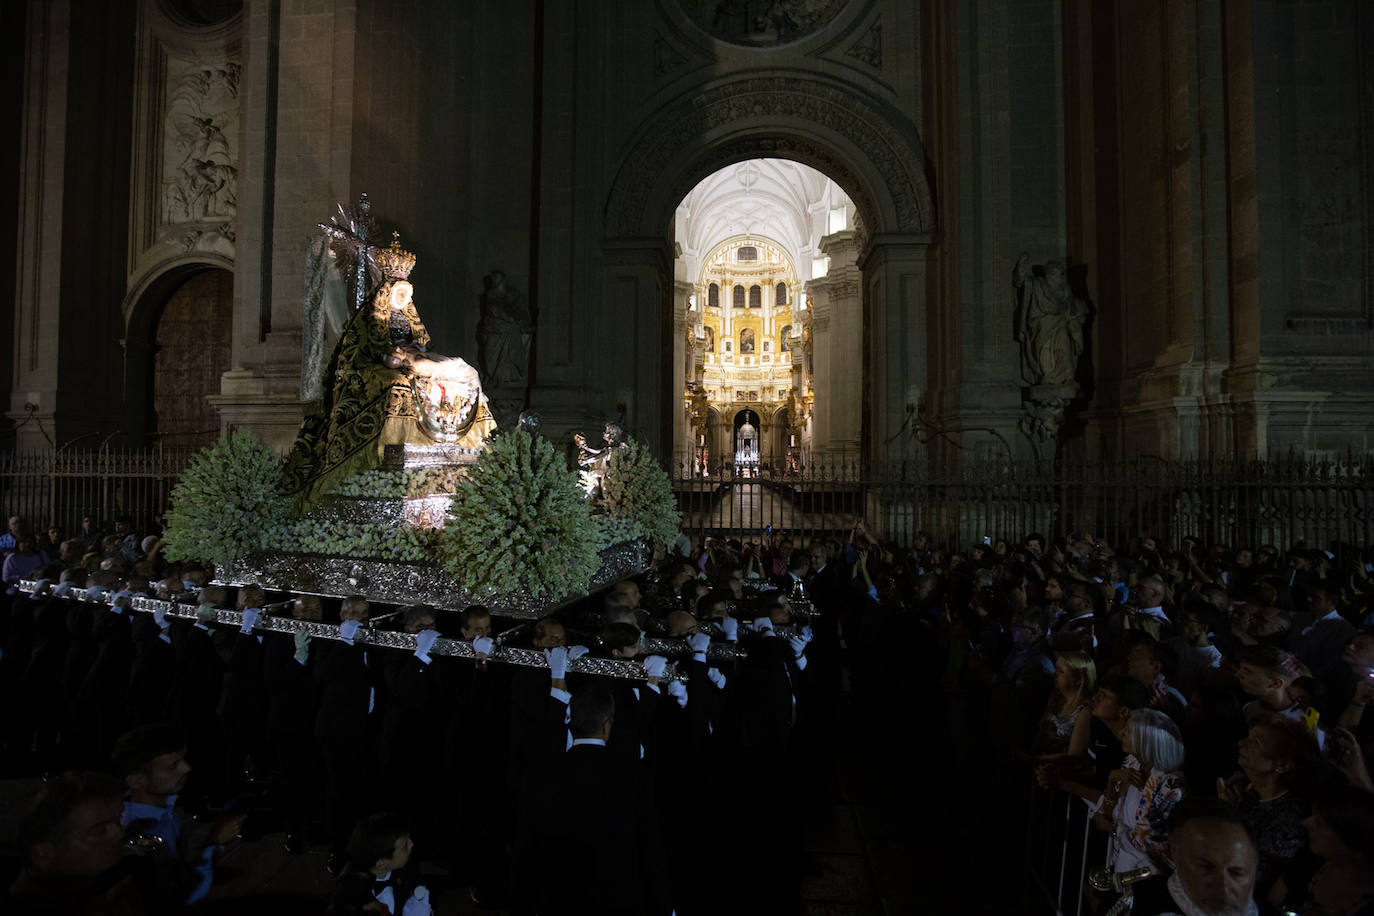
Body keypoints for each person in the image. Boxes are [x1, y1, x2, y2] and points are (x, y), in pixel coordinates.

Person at [283, 237, 496, 507]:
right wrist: (393, 357)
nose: (403, 299)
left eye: (406, 294)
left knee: (465, 377)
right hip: (379, 366)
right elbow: (363, 350)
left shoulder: (408, 315)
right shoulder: (373, 316)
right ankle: (390, 451)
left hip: (416, 362)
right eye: (398, 293)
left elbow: (422, 341)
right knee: (396, 385)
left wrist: (417, 354)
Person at [112, 722, 244, 905]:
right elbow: (178, 897)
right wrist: (214, 843)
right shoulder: (141, 833)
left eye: (182, 760)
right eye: (172, 767)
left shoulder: (162, 809)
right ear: (137, 781)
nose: (186, 768)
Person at [7, 770, 163, 913]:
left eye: (119, 820)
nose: (119, 834)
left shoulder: (125, 870)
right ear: (44, 854)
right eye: (100, 830)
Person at [1124, 798, 1263, 916]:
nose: (1223, 888)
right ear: (1175, 852)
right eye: (1206, 868)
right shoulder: (1135, 903)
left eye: (1237, 872)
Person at [1094, 707, 1187, 877]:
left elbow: (1151, 844)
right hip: (1120, 866)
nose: (1121, 732)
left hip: (1144, 878)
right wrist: (1112, 779)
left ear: (1147, 741)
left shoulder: (1169, 787)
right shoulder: (1132, 765)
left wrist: (1115, 829)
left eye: (1129, 731)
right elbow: (1105, 816)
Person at [1013, 254, 1089, 386]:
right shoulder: (1037, 284)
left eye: (1061, 274)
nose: (1060, 277)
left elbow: (1071, 309)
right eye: (1058, 273)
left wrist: (1078, 316)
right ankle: (1047, 375)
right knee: (1044, 349)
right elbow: (1021, 282)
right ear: (1049, 274)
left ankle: (1066, 377)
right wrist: (1020, 267)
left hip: (1060, 325)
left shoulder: (1065, 290)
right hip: (1040, 325)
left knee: (1064, 347)